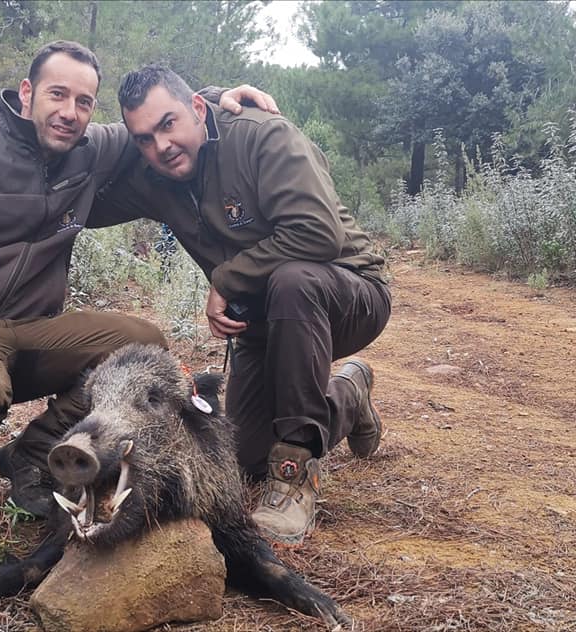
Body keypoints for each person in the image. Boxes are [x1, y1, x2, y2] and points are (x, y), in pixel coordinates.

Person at [0, 41, 278, 519]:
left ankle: (35, 452)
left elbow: (163, 117)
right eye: (57, 95)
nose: (70, 112)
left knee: (142, 345)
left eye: (84, 102)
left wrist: (213, 97)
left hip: (38, 330)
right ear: (27, 93)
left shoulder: (91, 151)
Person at [91, 64, 392, 547]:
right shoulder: (154, 174)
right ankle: (347, 396)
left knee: (294, 282)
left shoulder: (260, 135)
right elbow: (80, 199)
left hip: (348, 292)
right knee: (246, 457)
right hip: (259, 320)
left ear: (196, 108)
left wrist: (228, 278)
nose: (161, 146)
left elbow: (317, 232)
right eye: (144, 138)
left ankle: (296, 479)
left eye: (168, 124)